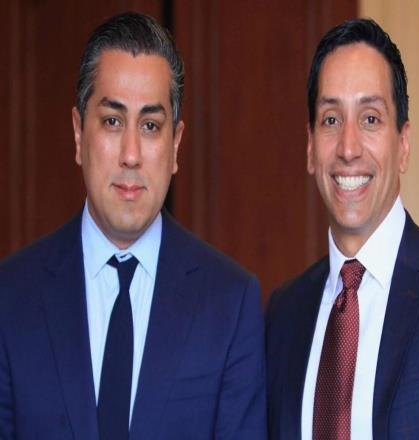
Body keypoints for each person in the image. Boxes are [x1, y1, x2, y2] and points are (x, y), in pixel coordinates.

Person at [0, 12, 266, 440]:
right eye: (112, 121)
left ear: (175, 145)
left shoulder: (230, 304)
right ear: (78, 134)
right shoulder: (11, 296)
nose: (130, 154)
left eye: (150, 126)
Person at [266, 18, 419, 439]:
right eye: (331, 120)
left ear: (403, 144)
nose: (348, 147)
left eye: (370, 119)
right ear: (310, 147)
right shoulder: (283, 315)